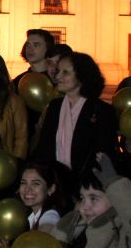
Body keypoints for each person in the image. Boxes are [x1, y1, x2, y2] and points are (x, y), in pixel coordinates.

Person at [32, 52, 116, 193]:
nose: (57, 76)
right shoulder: (54, 106)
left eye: (65, 73)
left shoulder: (101, 110)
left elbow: (103, 153)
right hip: (55, 186)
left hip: (88, 188)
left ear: (82, 77)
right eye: (58, 71)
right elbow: (44, 147)